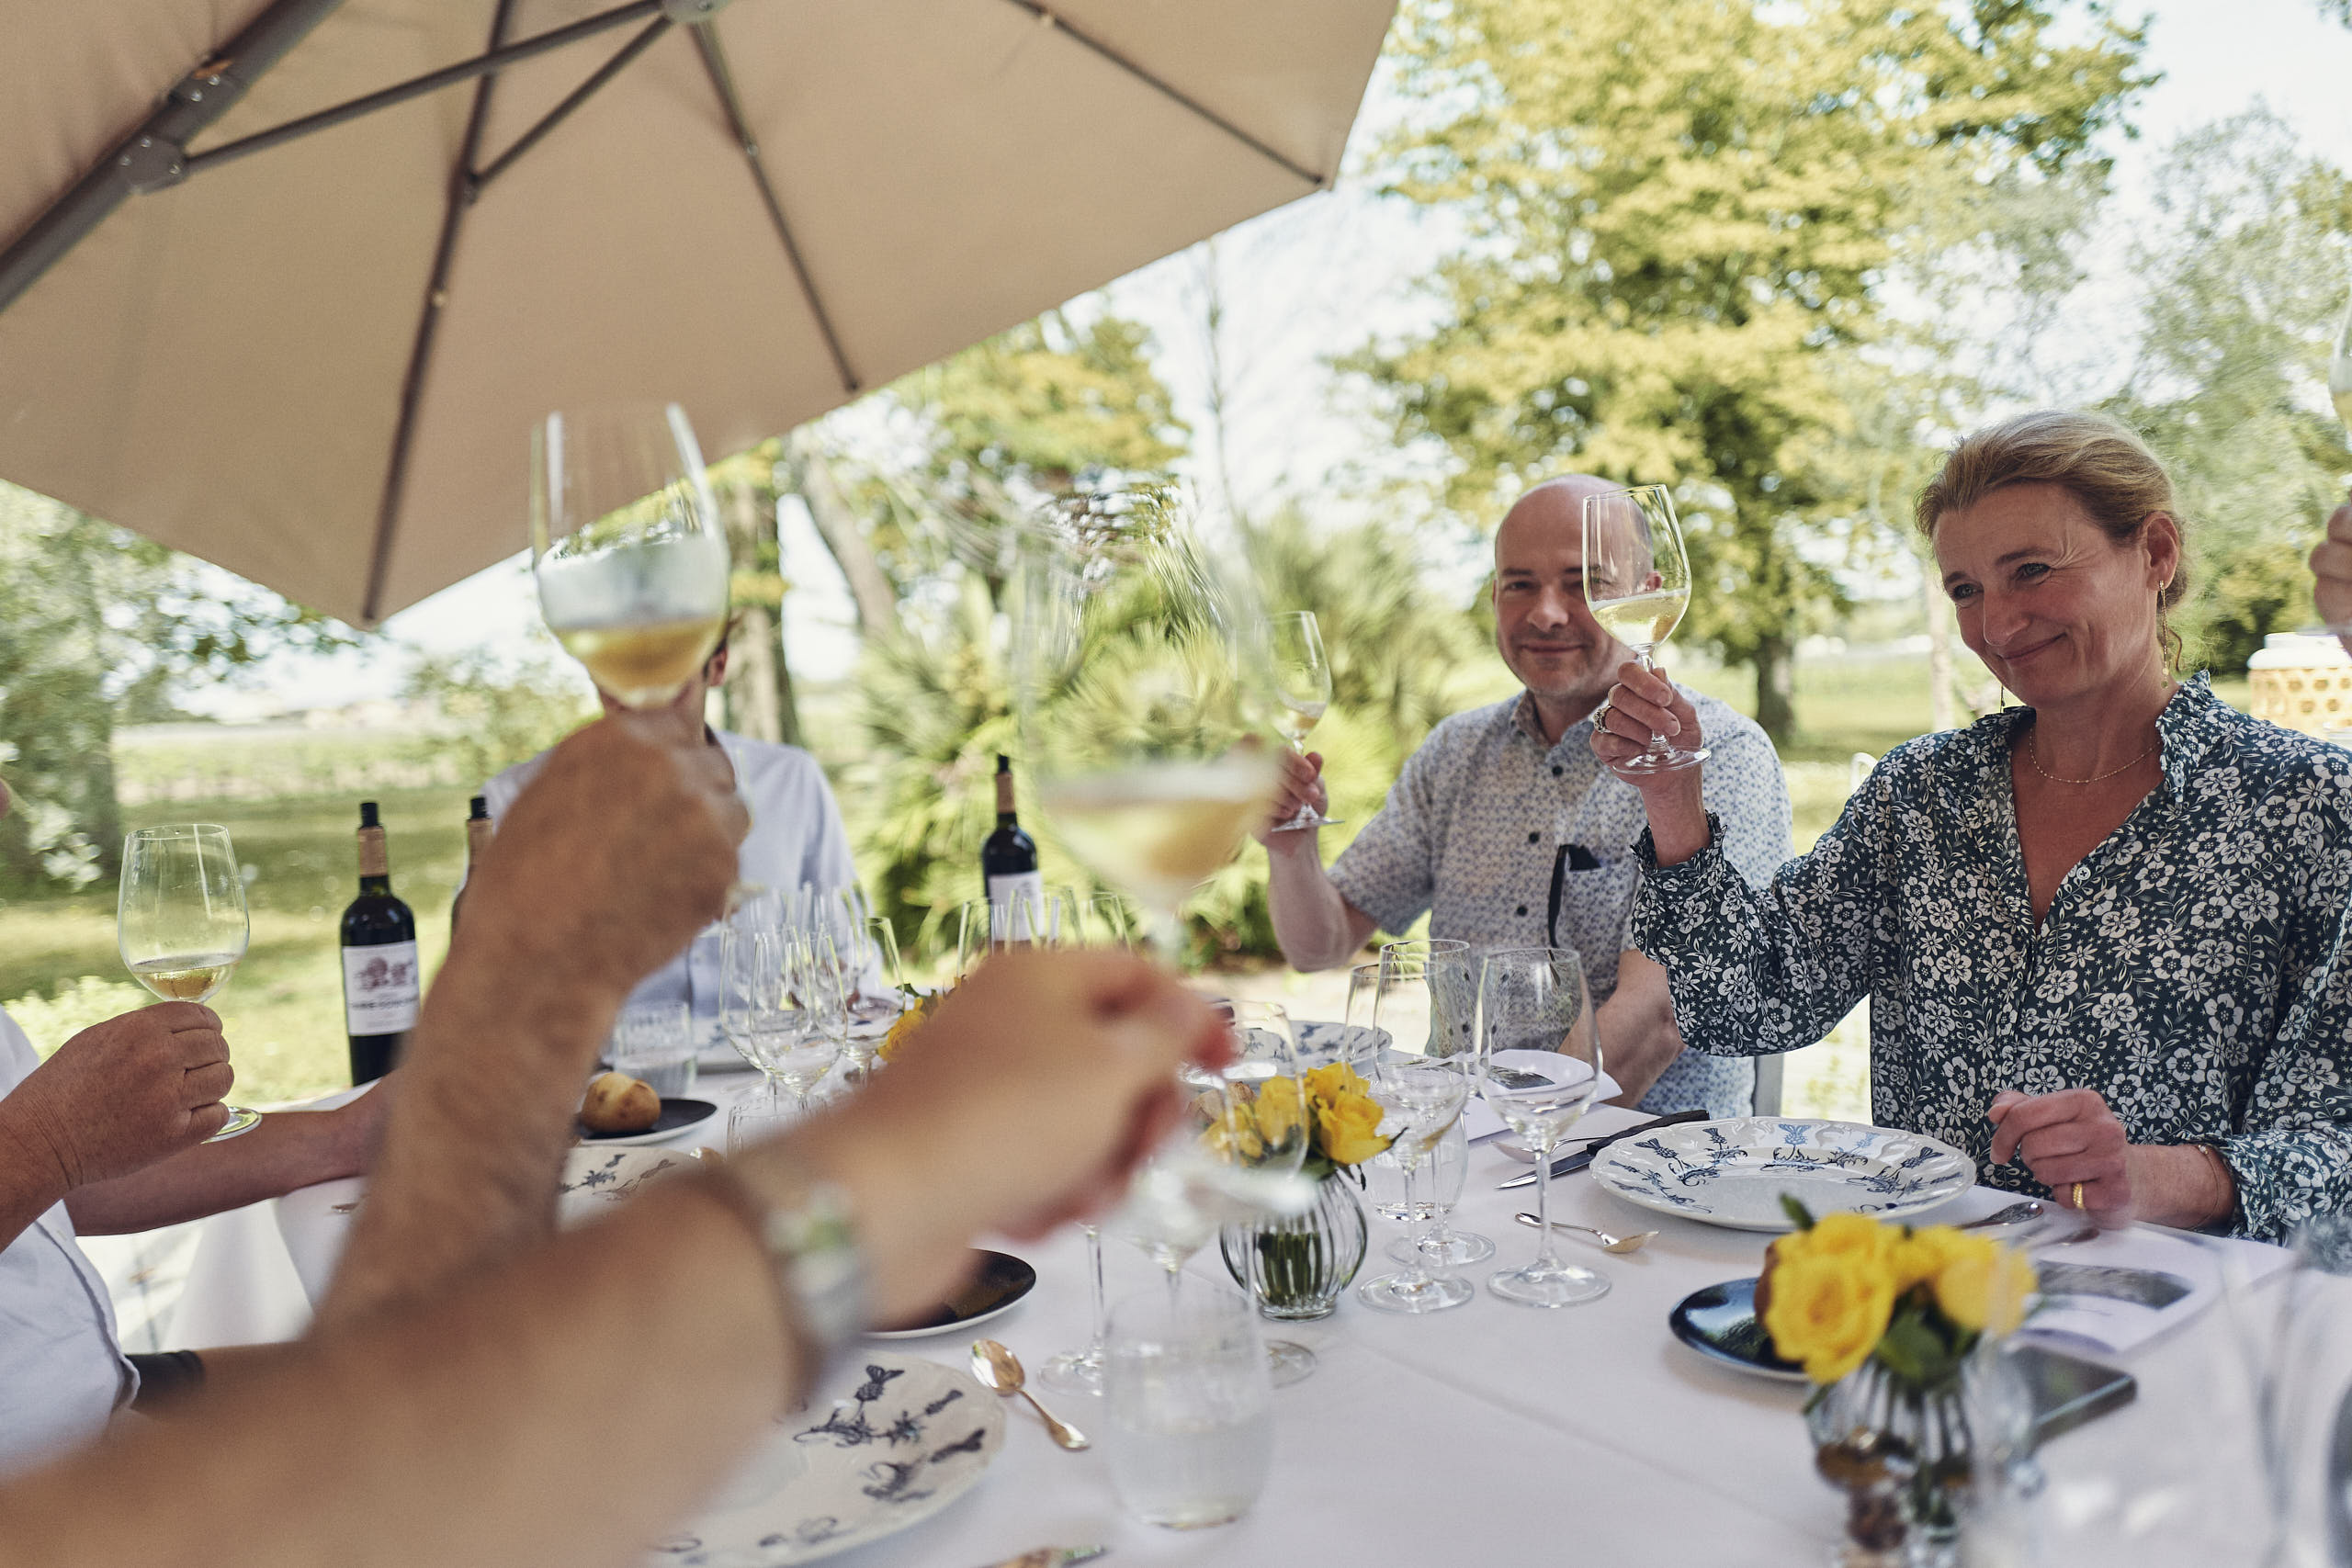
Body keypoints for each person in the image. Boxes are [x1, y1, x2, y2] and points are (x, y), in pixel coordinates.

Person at [0, 706, 1222, 1568]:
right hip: (76, 1476)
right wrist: (521, 989)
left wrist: (331, 1136)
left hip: (112, 1409)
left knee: (740, 1431)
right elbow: (413, 1495)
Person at [1601, 410, 2352, 1242]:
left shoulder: (2306, 807)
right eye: (1965, 589)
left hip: (2166, 1318)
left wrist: (2155, 1173)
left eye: (2031, 570)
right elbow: (1747, 1003)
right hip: (1926, 1312)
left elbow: (2338, 1149)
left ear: (2156, 553)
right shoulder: (1922, 793)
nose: (1995, 625)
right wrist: (1672, 797)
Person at [1255, 474, 1792, 1113]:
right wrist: (1291, 848)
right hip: (1466, 1150)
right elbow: (1319, 946)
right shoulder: (1455, 752)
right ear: (1493, 597)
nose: (1546, 612)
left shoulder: (1721, 755)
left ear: (1648, 595)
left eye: (1583, 582)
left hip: (1647, 1172)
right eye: (1520, 584)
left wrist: (1510, 1136)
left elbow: (1656, 1019)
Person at [0, 776, 386, 1474]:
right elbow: (43, 1161)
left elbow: (60, 1195)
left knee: (447, 1361)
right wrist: (46, 1139)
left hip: (110, 1400)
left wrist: (346, 1133)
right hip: (41, 1497)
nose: (2, 798)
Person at [469, 629, 859, 1023]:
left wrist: (831, 990)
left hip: (767, 1069)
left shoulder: (792, 781)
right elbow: (478, 983)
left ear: (717, 665)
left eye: (669, 672)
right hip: (606, 1079)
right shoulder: (514, 800)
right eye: (618, 671)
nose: (641, 695)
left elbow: (850, 953)